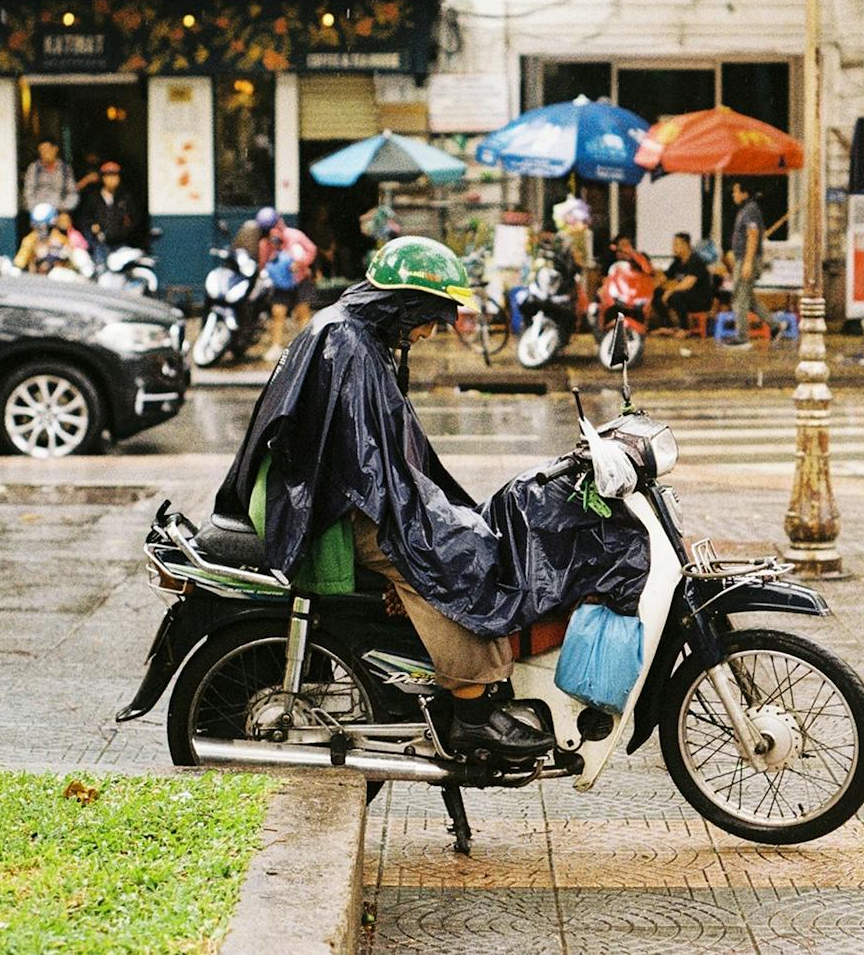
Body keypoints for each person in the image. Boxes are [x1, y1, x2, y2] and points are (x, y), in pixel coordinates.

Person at [212, 237, 563, 761]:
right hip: (325, 508)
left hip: (327, 492)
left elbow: (381, 457)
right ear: (404, 305)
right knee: (451, 557)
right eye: (429, 319)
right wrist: (425, 525)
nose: (427, 333)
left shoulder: (351, 332)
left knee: (452, 530)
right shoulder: (346, 343)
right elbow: (367, 468)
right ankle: (470, 708)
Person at [261, 211, 318, 354]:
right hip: (280, 283)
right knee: (278, 313)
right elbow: (263, 262)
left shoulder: (295, 235)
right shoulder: (265, 243)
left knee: (302, 311)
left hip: (300, 279)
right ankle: (275, 346)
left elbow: (312, 249)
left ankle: (306, 348)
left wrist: (302, 263)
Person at [77, 160, 143, 262]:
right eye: (108, 176)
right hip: (99, 244)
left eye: (115, 176)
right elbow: (85, 218)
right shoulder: (94, 197)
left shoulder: (125, 197)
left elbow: (134, 219)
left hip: (121, 243)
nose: (112, 179)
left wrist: (124, 231)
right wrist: (92, 226)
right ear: (103, 178)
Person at [724, 180, 764, 346]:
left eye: (736, 191)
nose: (734, 195)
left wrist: (747, 262)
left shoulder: (750, 210)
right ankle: (776, 325)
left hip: (747, 259)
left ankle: (742, 337)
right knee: (747, 298)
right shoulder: (747, 210)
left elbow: (753, 235)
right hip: (743, 258)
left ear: (745, 193)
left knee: (739, 298)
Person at [653, 232, 714, 334]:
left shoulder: (696, 261)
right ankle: (669, 326)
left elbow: (687, 284)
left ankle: (685, 329)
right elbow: (665, 277)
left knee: (675, 295)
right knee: (657, 293)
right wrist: (651, 286)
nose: (673, 248)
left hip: (701, 300)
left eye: (676, 244)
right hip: (686, 296)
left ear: (685, 245)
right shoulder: (677, 262)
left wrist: (669, 291)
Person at [14, 202, 92, 278]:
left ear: (52, 224)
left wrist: (63, 253)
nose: (41, 230)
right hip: (40, 279)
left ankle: (89, 275)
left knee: (78, 253)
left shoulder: (59, 238)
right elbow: (19, 262)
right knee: (55, 273)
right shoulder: (30, 240)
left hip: (64, 274)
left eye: (44, 226)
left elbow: (70, 255)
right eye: (37, 226)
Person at [22, 140, 78, 218]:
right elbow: (28, 192)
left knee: (63, 225)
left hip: (60, 212)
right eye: (41, 151)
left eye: (47, 149)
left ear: (55, 149)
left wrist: (64, 208)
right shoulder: (34, 168)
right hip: (39, 213)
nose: (44, 153)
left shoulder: (65, 169)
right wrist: (35, 209)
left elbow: (72, 193)